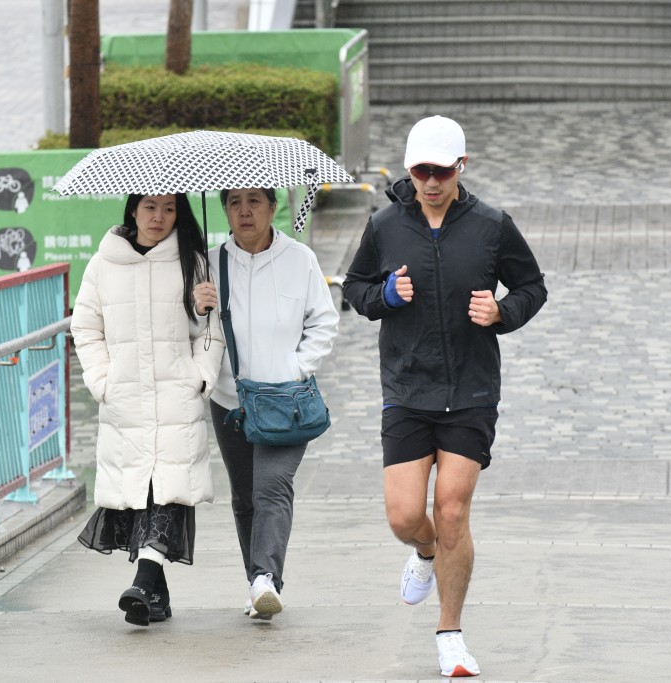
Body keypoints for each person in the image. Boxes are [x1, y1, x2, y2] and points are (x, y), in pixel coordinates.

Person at [342, 116, 547, 677]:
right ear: (410, 170)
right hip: (407, 388)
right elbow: (354, 288)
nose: (431, 181)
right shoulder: (385, 226)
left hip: (472, 392)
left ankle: (450, 635)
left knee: (452, 510)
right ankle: (424, 553)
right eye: (421, 171)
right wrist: (384, 293)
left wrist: (502, 312)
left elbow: (533, 286)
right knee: (406, 516)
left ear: (462, 167)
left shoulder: (491, 226)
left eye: (442, 170)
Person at [72, 193, 225, 627]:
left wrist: (200, 373)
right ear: (133, 211)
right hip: (126, 399)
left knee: (169, 487)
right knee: (141, 491)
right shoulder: (104, 264)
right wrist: (102, 380)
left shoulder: (191, 263)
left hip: (177, 395)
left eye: (169, 209)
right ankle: (157, 597)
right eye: (150, 208)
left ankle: (143, 581)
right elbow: (85, 327)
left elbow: (210, 334)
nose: (159, 217)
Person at [192, 187, 339, 620]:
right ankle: (258, 582)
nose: (244, 211)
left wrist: (296, 367)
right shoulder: (210, 264)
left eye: (254, 202)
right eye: (234, 203)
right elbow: (189, 329)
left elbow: (324, 321)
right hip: (230, 400)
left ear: (273, 208)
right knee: (244, 497)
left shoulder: (300, 259)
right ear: (224, 211)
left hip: (285, 399)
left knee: (271, 486)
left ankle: (265, 580)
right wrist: (195, 306)